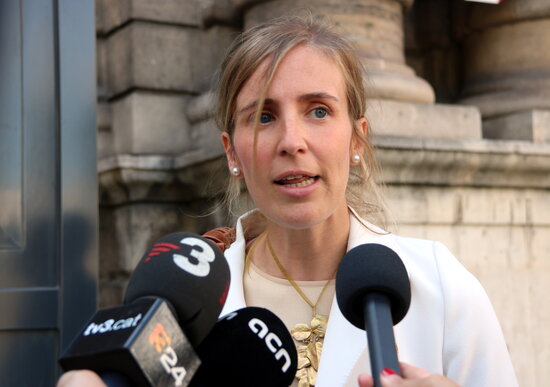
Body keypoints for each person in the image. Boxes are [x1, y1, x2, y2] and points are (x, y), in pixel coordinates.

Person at [57, 15, 518, 387]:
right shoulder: (188, 310)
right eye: (263, 116)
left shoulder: (440, 287)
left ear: (357, 139)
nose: (291, 141)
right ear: (232, 151)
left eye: (318, 110)